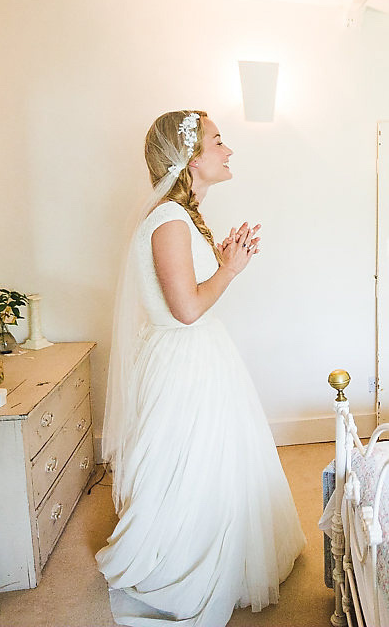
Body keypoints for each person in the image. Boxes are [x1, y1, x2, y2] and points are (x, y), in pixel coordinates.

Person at [97, 110, 306, 626]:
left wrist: (226, 259)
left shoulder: (179, 216)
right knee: (190, 461)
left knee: (215, 456)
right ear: (190, 157)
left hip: (197, 352)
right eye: (218, 141)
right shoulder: (168, 220)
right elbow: (187, 308)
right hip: (183, 358)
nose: (228, 149)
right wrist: (230, 271)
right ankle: (179, 559)